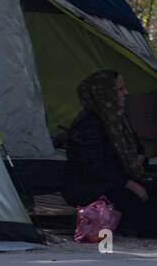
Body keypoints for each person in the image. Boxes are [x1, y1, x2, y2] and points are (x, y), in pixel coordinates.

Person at [63, 68, 157, 237]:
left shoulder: (117, 120)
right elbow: (94, 168)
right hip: (95, 187)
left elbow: (138, 150)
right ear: (105, 94)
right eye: (120, 89)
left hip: (121, 180)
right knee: (144, 211)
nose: (125, 93)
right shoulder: (88, 125)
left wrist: (138, 161)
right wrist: (131, 184)